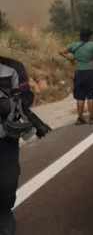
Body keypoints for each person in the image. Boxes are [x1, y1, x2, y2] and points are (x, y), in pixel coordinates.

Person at [0, 56, 34, 235]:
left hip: (5, 139)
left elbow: (26, 98)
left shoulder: (13, 67)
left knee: (7, 183)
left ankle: (4, 213)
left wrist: (6, 105)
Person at [58, 27, 93, 125]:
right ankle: (92, 118)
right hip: (91, 73)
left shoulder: (74, 45)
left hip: (79, 72)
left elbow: (61, 52)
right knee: (91, 96)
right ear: (89, 36)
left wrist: (71, 59)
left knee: (80, 97)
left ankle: (80, 118)